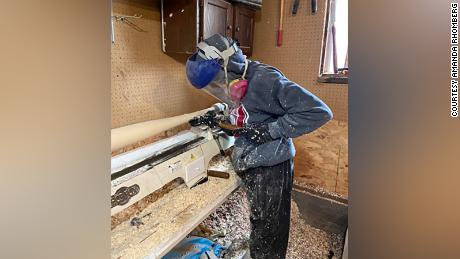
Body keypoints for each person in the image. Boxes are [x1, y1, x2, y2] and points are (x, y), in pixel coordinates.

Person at [186, 34, 333, 259]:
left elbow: (319, 111)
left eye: (217, 81)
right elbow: (247, 117)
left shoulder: (266, 80)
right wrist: (218, 119)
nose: (219, 88)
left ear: (228, 67)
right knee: (260, 223)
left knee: (270, 232)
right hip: (252, 162)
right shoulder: (236, 82)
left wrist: (270, 131)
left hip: (272, 167)